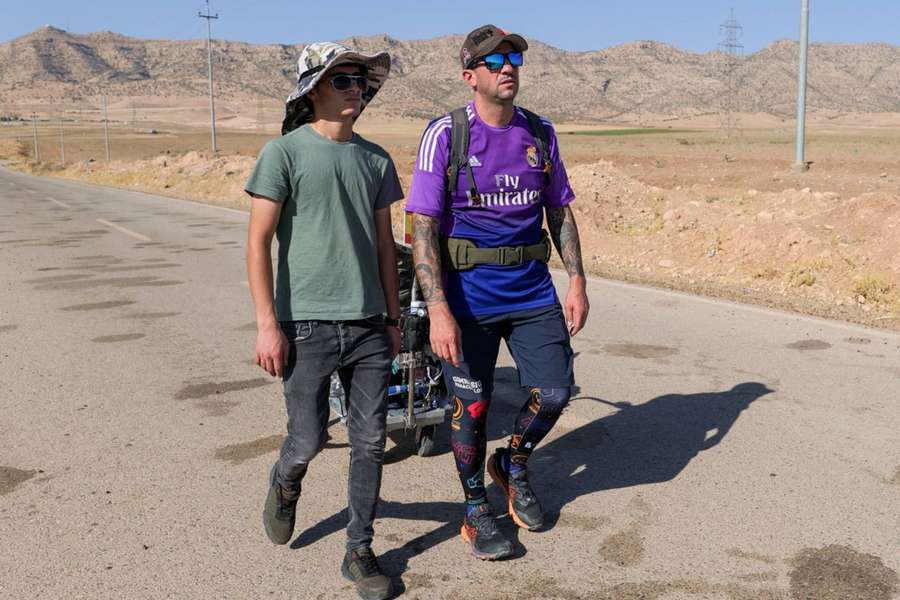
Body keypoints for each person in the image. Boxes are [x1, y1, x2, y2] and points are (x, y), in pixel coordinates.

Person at [406, 24, 589, 560]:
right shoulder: (446, 134)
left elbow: (558, 209)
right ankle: (474, 509)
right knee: (472, 407)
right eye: (494, 62)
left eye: (514, 58)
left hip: (532, 292)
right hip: (466, 299)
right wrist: (438, 309)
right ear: (470, 76)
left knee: (554, 393)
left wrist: (576, 279)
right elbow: (421, 227)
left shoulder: (539, 131)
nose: (508, 67)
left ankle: (511, 465)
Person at [245, 41, 402, 600]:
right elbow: (259, 241)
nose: (357, 88)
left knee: (370, 442)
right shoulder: (283, 154)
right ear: (313, 89)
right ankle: (286, 480)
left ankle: (359, 550)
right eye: (344, 80)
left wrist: (392, 315)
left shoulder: (376, 159)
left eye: (361, 80)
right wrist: (267, 323)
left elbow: (386, 246)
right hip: (305, 325)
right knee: (308, 439)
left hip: (367, 327)